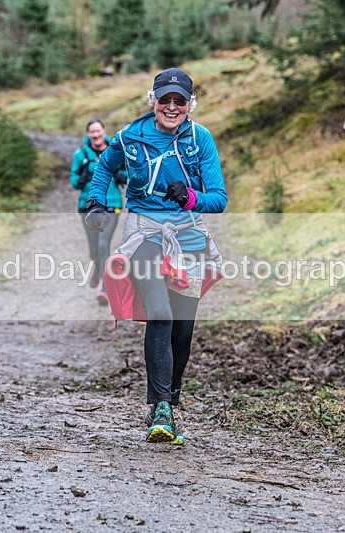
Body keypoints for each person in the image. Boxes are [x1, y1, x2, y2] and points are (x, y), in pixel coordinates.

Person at [84, 68, 227, 445]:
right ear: (153, 101)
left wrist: (190, 197)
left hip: (189, 238)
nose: (172, 106)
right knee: (159, 315)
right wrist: (96, 200)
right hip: (145, 234)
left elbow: (219, 198)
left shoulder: (200, 139)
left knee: (183, 327)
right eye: (165, 99)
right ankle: (159, 407)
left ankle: (171, 399)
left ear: (190, 104)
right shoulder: (129, 136)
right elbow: (104, 166)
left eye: (180, 100)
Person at [70, 119, 127, 305]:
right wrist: (83, 177)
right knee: (94, 249)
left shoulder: (116, 152)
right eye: (92, 132)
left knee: (104, 245)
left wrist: (121, 175)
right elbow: (73, 181)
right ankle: (96, 266)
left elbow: (130, 175)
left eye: (98, 131)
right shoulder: (80, 155)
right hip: (87, 205)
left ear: (104, 131)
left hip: (111, 203)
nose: (96, 135)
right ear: (88, 135)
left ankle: (105, 288)